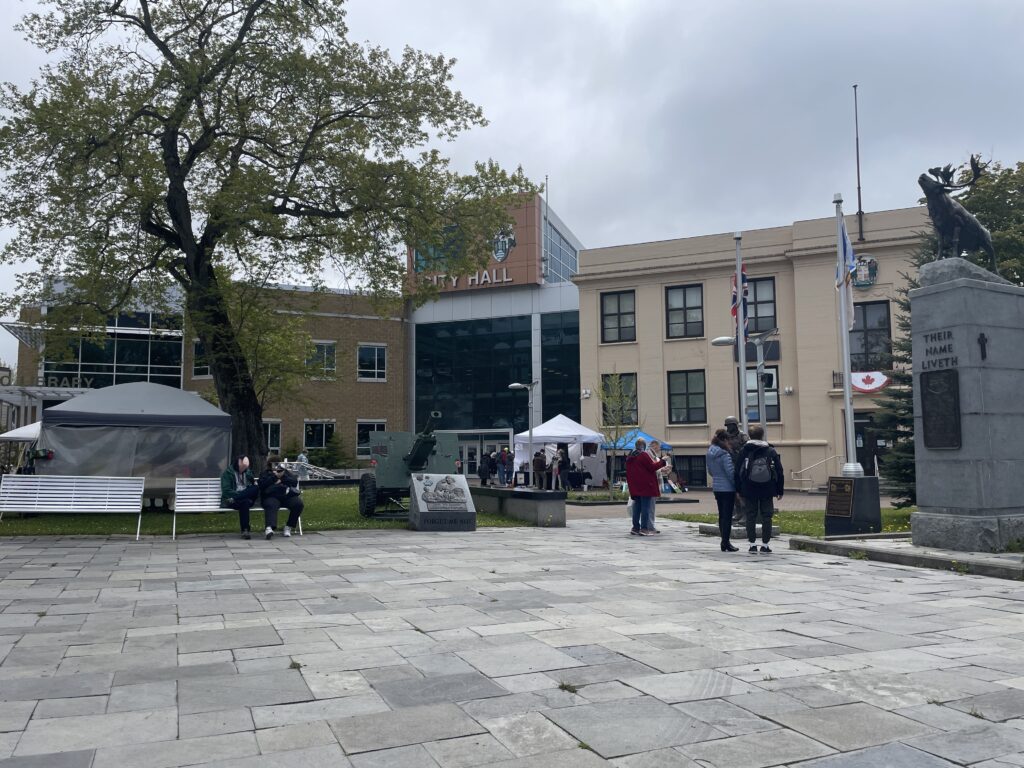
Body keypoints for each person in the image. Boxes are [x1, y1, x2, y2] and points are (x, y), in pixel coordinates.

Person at [734, 425, 784, 553]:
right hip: (768, 487)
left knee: (751, 515)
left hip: (749, 488)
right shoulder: (770, 450)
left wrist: (738, 490)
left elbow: (737, 471)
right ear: (762, 435)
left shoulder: (745, 450)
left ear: (750, 436)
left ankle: (752, 544)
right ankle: (765, 545)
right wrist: (779, 490)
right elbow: (779, 470)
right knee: (767, 516)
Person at [625, 437, 666, 536]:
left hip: (635, 486)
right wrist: (662, 461)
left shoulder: (630, 457)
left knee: (637, 508)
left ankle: (635, 528)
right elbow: (652, 467)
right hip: (646, 485)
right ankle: (644, 529)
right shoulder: (643, 455)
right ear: (643, 446)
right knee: (645, 508)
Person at [707, 429, 739, 552]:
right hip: (727, 489)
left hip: (717, 487)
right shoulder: (725, 454)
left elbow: (709, 471)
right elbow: (730, 473)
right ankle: (725, 542)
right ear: (725, 440)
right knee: (728, 516)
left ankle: (724, 541)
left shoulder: (709, 452)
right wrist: (737, 487)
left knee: (722, 515)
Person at [257, 455, 304, 539]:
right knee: (271, 504)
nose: (276, 466)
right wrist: (274, 477)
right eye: (274, 464)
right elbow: (262, 485)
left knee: (298, 504)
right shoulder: (265, 473)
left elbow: (294, 482)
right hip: (271, 496)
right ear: (269, 464)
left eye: (278, 464)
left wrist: (282, 477)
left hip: (285, 496)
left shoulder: (284, 472)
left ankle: (288, 526)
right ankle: (269, 528)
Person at [220, 456, 259, 540]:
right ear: (237, 465)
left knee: (255, 488)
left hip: (240, 498)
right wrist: (240, 494)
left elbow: (253, 486)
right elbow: (226, 491)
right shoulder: (228, 473)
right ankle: (245, 530)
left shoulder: (247, 473)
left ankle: (237, 498)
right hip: (231, 500)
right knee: (244, 502)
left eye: (245, 468)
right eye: (242, 467)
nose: (243, 469)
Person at [723, 416, 749, 525]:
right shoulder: (725, 436)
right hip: (730, 464)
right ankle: (737, 512)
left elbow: (748, 448)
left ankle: (745, 514)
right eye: (727, 426)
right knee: (732, 491)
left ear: (734, 425)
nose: (728, 428)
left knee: (741, 492)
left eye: (730, 425)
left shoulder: (743, 436)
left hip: (741, 465)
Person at [646, 440, 669, 532]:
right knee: (650, 507)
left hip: (654, 484)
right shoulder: (649, 455)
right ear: (654, 446)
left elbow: (654, 467)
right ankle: (649, 526)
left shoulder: (653, 455)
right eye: (659, 447)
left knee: (650, 506)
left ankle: (648, 525)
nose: (659, 449)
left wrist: (663, 468)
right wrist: (662, 468)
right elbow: (652, 468)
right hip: (651, 484)